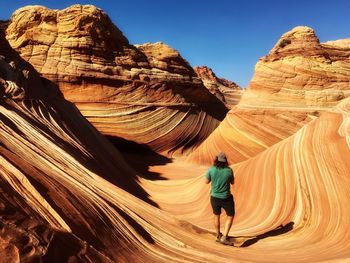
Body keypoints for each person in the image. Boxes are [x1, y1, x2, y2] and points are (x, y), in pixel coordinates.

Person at [205, 152, 235, 245]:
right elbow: (232, 182)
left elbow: (206, 182)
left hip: (214, 197)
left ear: (216, 160)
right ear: (225, 161)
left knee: (216, 216)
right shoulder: (229, 170)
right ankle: (224, 237)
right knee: (230, 216)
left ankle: (218, 235)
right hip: (226, 198)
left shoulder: (211, 170)